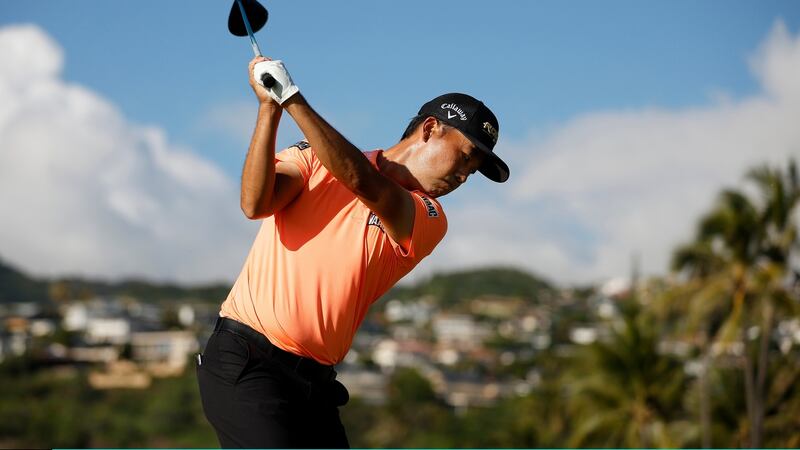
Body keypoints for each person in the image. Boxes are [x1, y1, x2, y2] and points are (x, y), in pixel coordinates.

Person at [196, 56, 510, 448]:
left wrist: (291, 98)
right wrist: (269, 108)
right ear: (430, 129)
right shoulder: (312, 158)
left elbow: (364, 183)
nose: (463, 176)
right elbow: (255, 203)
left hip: (315, 386)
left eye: (472, 171)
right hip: (248, 362)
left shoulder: (429, 216)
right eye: (464, 157)